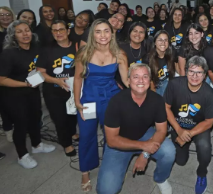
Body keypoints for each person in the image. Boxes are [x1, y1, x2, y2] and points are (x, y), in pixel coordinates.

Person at [96, 63, 175, 194]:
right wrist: (144, 146)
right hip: (119, 143)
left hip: (143, 134)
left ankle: (160, 178)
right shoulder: (116, 102)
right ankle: (120, 169)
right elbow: (111, 140)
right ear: (128, 81)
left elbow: (162, 130)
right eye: (136, 77)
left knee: (169, 151)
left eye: (145, 77)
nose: (141, 81)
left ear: (150, 81)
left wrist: (145, 154)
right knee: (106, 190)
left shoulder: (157, 100)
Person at [73, 19, 129, 192]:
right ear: (93, 34)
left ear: (112, 33)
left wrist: (144, 91)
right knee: (86, 136)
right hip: (88, 100)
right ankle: (85, 171)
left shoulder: (119, 54)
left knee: (111, 136)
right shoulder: (84, 53)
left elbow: (127, 81)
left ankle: (108, 166)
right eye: (98, 31)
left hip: (111, 100)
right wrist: (77, 101)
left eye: (106, 31)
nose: (103, 35)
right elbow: (78, 78)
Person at [0, 20, 56, 169]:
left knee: (35, 119)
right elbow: (2, 79)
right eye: (20, 31)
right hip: (14, 95)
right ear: (13, 35)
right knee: (21, 124)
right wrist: (25, 84)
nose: (25, 34)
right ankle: (22, 155)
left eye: (27, 30)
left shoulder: (36, 48)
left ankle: (37, 144)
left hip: (33, 91)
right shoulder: (9, 53)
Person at [165, 56, 213, 194]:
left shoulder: (209, 94)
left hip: (199, 127)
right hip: (178, 125)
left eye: (199, 72)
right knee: (180, 161)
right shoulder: (174, 84)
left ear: (205, 75)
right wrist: (179, 130)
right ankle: (185, 147)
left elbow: (209, 122)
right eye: (191, 71)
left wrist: (187, 135)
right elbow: (166, 107)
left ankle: (202, 173)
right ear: (186, 71)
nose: (195, 76)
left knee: (205, 148)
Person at [36, 20, 78, 157]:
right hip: (53, 91)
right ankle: (67, 144)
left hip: (73, 90)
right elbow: (40, 72)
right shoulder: (46, 50)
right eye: (55, 30)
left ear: (68, 31)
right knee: (60, 119)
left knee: (72, 115)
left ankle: (72, 133)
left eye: (61, 29)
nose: (58, 33)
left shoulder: (77, 47)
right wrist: (56, 80)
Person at [0, 6, 15, 143]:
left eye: (7, 14)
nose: (4, 17)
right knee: (4, 104)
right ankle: (8, 128)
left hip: (17, 71)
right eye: (1, 15)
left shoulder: (17, 31)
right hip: (2, 72)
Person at [148, 30, 176, 96]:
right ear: (155, 42)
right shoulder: (148, 58)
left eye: (165, 40)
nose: (163, 43)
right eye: (160, 40)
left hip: (167, 85)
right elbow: (150, 82)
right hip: (154, 87)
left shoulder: (171, 56)